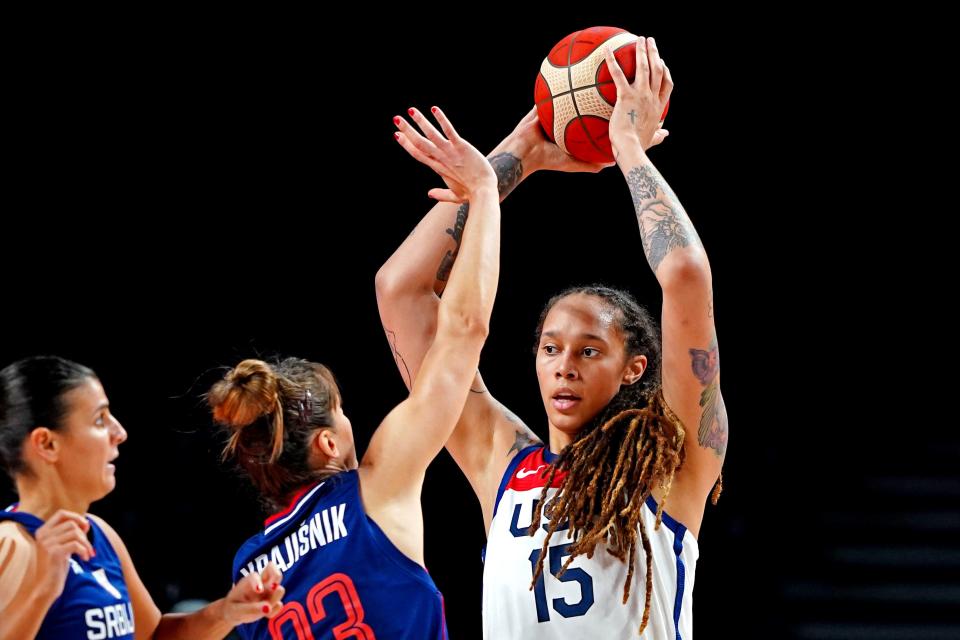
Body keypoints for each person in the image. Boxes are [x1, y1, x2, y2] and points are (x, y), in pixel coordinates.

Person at [376, 36, 725, 637]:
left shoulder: (673, 463)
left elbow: (686, 275)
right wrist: (517, 155)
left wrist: (629, 150)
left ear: (634, 368)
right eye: (550, 348)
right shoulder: (502, 464)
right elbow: (400, 290)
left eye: (590, 350)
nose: (565, 365)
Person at [207, 105, 500, 639]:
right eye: (341, 413)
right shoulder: (372, 488)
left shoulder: (249, 568)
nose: (351, 423)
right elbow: (461, 335)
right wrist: (483, 192)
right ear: (325, 444)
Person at [0, 355, 284, 640]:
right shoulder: (11, 544)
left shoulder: (100, 533)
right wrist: (41, 592)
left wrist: (227, 612)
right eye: (100, 420)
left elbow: (155, 634)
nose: (120, 432)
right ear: (47, 444)